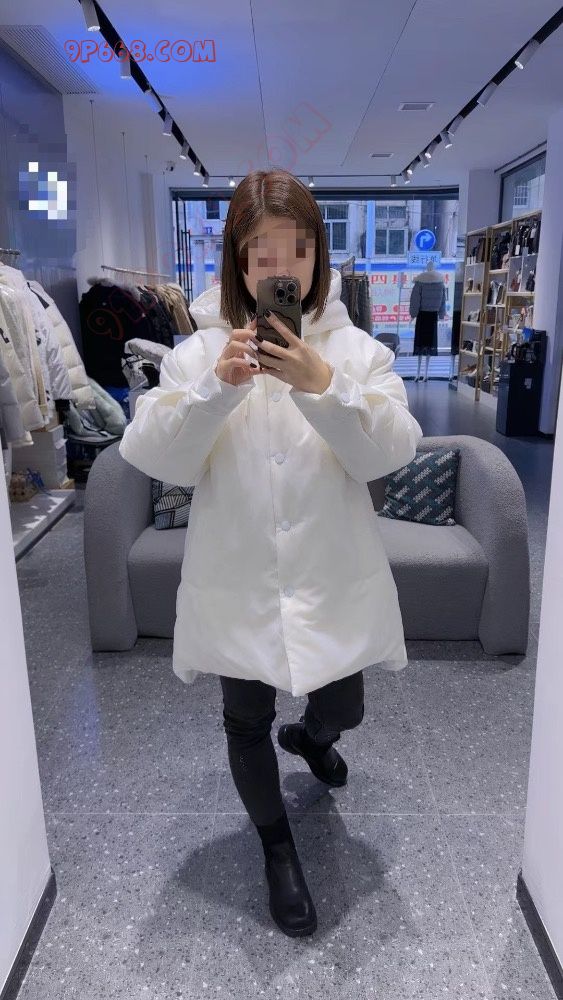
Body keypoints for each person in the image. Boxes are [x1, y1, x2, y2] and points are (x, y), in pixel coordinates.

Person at [118, 169, 424, 939]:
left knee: (345, 706)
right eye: (262, 253)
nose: (282, 268)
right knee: (244, 720)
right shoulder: (196, 353)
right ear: (237, 260)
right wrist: (215, 391)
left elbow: (389, 452)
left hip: (330, 575)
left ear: (319, 257)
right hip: (237, 578)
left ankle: (313, 737)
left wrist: (325, 387)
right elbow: (155, 455)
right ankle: (277, 848)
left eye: (298, 250)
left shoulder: (357, 351)